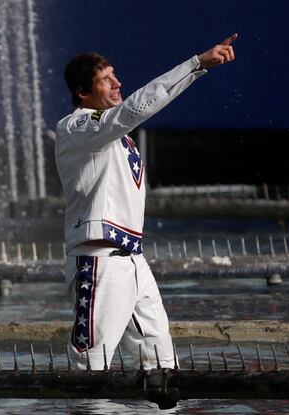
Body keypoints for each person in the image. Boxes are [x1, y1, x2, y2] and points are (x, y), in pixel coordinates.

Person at [55, 34, 237, 371]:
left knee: (160, 361)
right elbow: (136, 107)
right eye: (105, 79)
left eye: (114, 74)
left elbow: (128, 114)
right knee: (90, 364)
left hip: (133, 261)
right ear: (83, 93)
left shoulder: (112, 134)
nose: (117, 82)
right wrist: (196, 65)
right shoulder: (77, 126)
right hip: (99, 261)